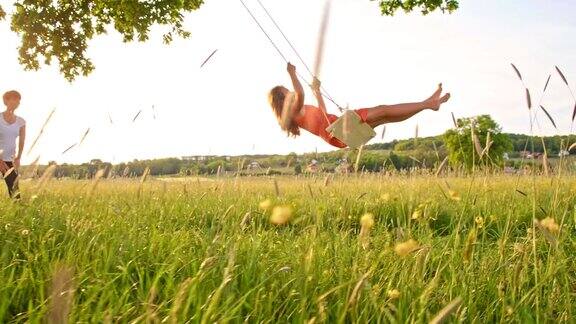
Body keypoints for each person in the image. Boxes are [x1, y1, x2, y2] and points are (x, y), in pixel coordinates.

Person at [268, 63, 451, 148]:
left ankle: (429, 104)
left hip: (338, 131)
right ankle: (429, 103)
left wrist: (317, 92)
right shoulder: (292, 112)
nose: (290, 92)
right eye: (286, 92)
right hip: (340, 129)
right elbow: (300, 93)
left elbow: (322, 114)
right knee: (384, 110)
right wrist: (292, 74)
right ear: (281, 101)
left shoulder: (299, 112)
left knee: (386, 116)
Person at [1, 90, 26, 199]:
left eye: (18, 100)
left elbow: (21, 141)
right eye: (14, 99)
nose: (16, 102)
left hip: (9, 161)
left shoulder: (21, 122)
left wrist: (18, 157)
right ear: (6, 101)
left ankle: (18, 214)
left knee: (15, 194)